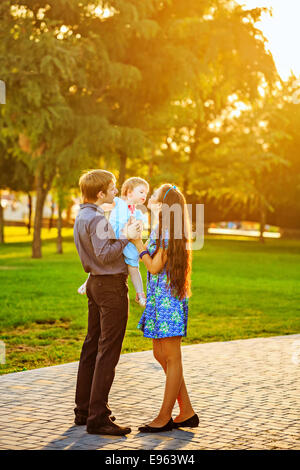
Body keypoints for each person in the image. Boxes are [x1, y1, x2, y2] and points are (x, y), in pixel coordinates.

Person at [73, 169, 141, 436]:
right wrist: (126, 235)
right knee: (107, 351)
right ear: (100, 193)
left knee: (92, 347)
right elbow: (104, 255)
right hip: (109, 287)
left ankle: (84, 410)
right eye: (112, 188)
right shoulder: (97, 218)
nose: (116, 191)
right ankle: (98, 417)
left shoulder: (83, 215)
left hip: (94, 285)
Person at [133, 184, 199, 433]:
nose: (149, 198)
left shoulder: (170, 231)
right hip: (159, 299)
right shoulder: (163, 227)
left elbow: (153, 266)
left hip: (168, 300)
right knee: (161, 355)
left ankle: (164, 417)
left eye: (154, 196)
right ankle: (187, 411)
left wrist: (138, 243)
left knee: (171, 357)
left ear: (163, 205)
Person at [77, 177, 149, 307]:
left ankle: (140, 294)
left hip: (127, 242)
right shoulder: (119, 202)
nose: (145, 195)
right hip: (112, 237)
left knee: (133, 267)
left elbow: (139, 228)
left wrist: (138, 228)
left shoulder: (138, 212)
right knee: (100, 261)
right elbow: (101, 204)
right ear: (129, 192)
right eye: (141, 192)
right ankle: (88, 281)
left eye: (146, 193)